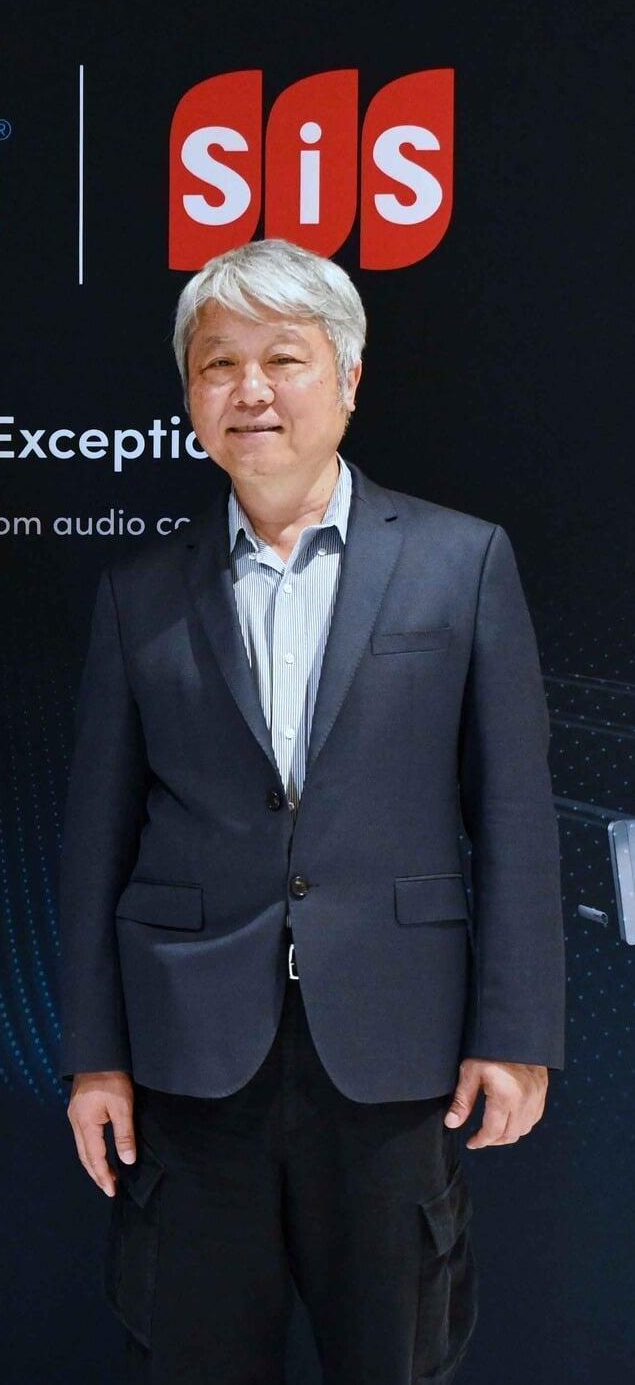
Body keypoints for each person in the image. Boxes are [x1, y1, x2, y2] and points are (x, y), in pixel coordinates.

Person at [58, 237, 564, 1383]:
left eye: (283, 358)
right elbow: (95, 847)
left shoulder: (461, 563)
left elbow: (515, 818)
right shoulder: (140, 595)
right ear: (191, 395)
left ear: (348, 377)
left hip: (395, 1056)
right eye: (218, 363)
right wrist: (95, 1059)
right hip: (190, 1066)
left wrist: (516, 1032)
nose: (251, 389)